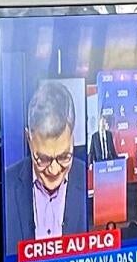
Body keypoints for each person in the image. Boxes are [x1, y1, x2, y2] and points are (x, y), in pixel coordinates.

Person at [13, 75, 91, 244]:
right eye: (43, 159)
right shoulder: (7, 187)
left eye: (64, 157)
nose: (54, 170)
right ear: (29, 139)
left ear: (72, 138)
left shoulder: (91, 181)